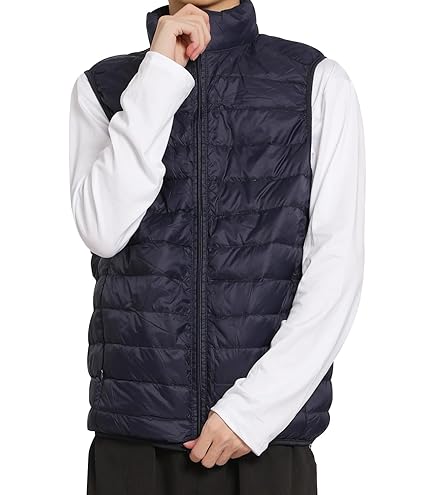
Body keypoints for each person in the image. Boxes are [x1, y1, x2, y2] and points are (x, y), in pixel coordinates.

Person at [68, 0, 365, 493]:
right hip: (133, 444)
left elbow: (337, 269)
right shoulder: (103, 87)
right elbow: (103, 227)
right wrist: (159, 75)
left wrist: (252, 413)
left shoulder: (315, 81)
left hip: (265, 444)